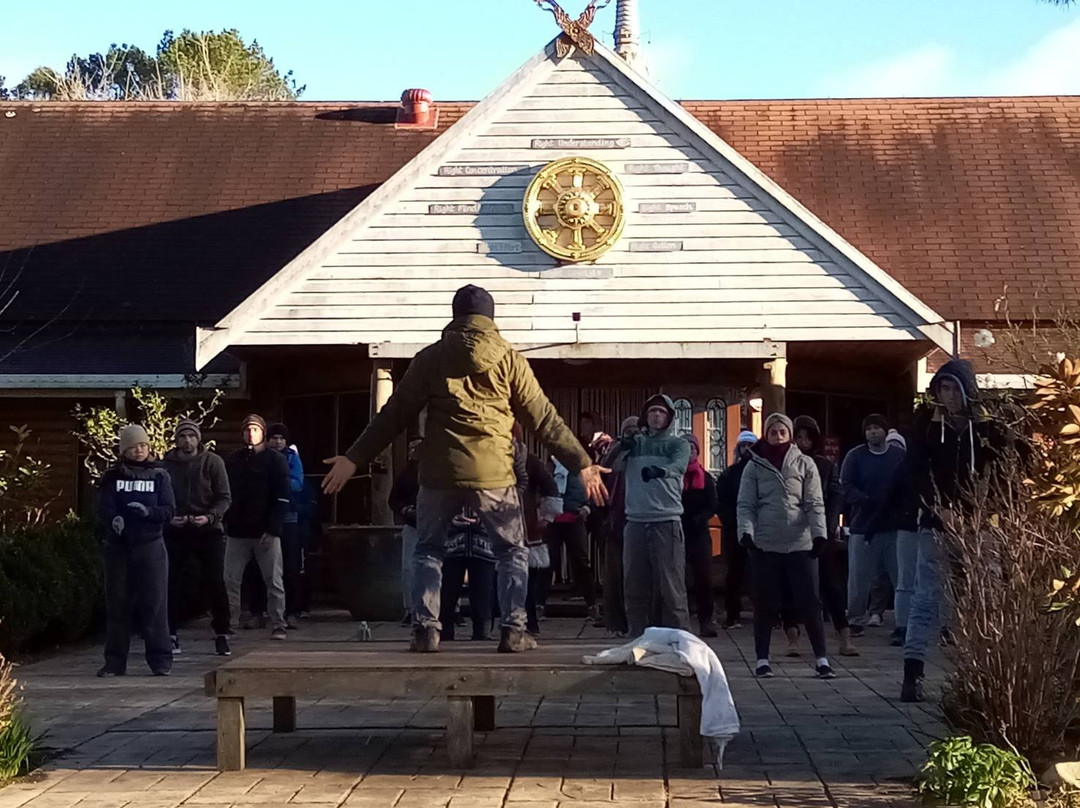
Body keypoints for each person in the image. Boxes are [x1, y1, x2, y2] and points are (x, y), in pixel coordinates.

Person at [321, 285, 608, 654]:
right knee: (511, 552)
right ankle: (513, 629)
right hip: (495, 474)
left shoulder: (431, 358)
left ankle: (426, 629)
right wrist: (581, 462)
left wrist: (354, 457)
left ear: (455, 316)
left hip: (440, 473)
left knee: (428, 550)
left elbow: (393, 415)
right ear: (490, 318)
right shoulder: (509, 359)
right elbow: (544, 419)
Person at [901, 360, 1008, 701]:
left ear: (967, 391)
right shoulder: (927, 428)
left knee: (986, 595)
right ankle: (913, 673)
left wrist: (985, 512)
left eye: (954, 388)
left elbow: (1005, 473)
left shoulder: (988, 429)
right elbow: (916, 473)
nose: (949, 396)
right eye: (943, 388)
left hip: (980, 525)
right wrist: (939, 508)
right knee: (926, 596)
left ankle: (986, 671)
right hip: (937, 523)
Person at [737, 413, 835, 679]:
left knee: (810, 603)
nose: (778, 436)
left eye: (782, 432)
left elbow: (815, 503)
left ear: (789, 434)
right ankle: (761, 659)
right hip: (766, 543)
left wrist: (819, 535)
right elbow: (746, 504)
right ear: (765, 434)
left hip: (799, 542)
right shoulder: (754, 466)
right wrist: (746, 533)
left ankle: (822, 658)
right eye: (773, 432)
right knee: (766, 603)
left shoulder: (805, 464)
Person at [605, 395, 692, 637]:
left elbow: (679, 467)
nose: (656, 416)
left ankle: (682, 641)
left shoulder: (678, 444)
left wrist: (659, 472)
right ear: (646, 416)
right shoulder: (635, 443)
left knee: (671, 587)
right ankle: (637, 638)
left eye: (661, 412)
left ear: (669, 417)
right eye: (652, 411)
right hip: (635, 522)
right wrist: (622, 445)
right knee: (633, 585)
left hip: (667, 521)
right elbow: (608, 466)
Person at [97, 424, 176, 677]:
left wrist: (149, 513)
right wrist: (114, 520)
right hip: (118, 548)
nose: (139, 450)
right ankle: (114, 662)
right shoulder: (112, 477)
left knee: (154, 604)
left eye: (142, 445)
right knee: (117, 605)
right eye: (133, 447)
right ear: (124, 450)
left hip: (151, 546)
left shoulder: (160, 476)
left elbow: (169, 510)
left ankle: (161, 661)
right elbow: (103, 508)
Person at [162, 418, 232, 657]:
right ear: (177, 440)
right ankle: (169, 632)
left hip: (208, 529)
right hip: (177, 529)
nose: (187, 441)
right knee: (171, 582)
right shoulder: (166, 465)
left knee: (215, 581)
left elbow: (224, 497)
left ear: (198, 438)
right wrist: (170, 517)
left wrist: (210, 517)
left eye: (191, 436)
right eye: (182, 436)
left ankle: (222, 633)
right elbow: (161, 498)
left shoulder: (213, 462)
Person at [793, 415, 856, 657]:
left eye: (808, 437)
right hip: (794, 532)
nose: (803, 442)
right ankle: (794, 638)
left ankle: (844, 635)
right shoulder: (788, 464)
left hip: (822, 533)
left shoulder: (826, 465)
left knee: (831, 584)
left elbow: (836, 495)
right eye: (799, 437)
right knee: (795, 587)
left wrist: (828, 526)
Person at [224, 414, 291, 641]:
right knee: (230, 579)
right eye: (247, 430)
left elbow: (282, 496)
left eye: (255, 429)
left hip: (265, 531)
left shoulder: (275, 460)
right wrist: (226, 522)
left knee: (273, 580)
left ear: (263, 432)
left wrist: (273, 529)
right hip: (237, 531)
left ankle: (278, 623)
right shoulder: (232, 460)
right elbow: (225, 494)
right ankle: (228, 623)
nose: (251, 434)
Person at [841, 414, 905, 631]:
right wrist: (863, 500)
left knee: (901, 578)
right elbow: (846, 485)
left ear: (886, 431)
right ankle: (855, 619)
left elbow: (909, 485)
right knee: (859, 578)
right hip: (863, 524)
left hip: (895, 526)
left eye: (877, 428)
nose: (873, 432)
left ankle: (903, 623)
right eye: (869, 429)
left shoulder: (899, 456)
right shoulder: (855, 456)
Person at [599, 415, 640, 638]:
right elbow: (601, 477)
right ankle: (616, 623)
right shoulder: (613, 452)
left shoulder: (645, 450)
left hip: (640, 518)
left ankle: (639, 621)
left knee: (636, 575)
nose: (632, 432)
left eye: (635, 428)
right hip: (615, 521)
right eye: (628, 429)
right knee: (614, 575)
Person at [544, 464, 600, 623]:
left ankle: (592, 605)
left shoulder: (583, 470)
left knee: (581, 562)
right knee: (548, 562)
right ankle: (539, 605)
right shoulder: (549, 467)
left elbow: (594, 494)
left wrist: (586, 509)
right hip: (552, 520)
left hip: (575, 519)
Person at [716, 430, 757, 629]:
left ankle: (769, 612)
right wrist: (732, 520)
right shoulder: (729, 474)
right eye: (744, 446)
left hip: (760, 529)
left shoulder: (764, 472)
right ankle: (732, 613)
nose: (747, 449)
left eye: (751, 446)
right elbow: (720, 501)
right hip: (735, 529)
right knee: (735, 572)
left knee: (762, 572)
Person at [681, 434, 719, 637]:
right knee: (678, 578)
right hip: (677, 532)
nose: (689, 452)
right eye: (685, 448)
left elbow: (713, 504)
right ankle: (681, 621)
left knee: (703, 578)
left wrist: (700, 518)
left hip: (699, 534)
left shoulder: (706, 478)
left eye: (693, 449)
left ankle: (707, 620)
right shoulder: (674, 476)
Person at [267, 423, 305, 626]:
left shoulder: (293, 458)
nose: (278, 441)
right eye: (274, 438)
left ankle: (292, 611)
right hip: (264, 517)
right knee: (263, 567)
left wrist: (278, 484)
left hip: (289, 516)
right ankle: (261, 612)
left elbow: (298, 484)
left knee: (291, 566)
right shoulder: (262, 457)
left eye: (281, 438)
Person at [885, 429, 919, 647]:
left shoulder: (941, 464)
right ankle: (903, 625)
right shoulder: (905, 467)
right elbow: (890, 496)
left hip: (938, 524)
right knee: (905, 578)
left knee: (939, 580)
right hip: (908, 525)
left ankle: (944, 626)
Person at [389, 439, 422, 626]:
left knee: (442, 566)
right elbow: (393, 500)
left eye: (417, 448)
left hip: (436, 525)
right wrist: (404, 510)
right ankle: (410, 609)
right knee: (409, 568)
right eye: (411, 448)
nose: (414, 451)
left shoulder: (437, 473)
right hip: (411, 525)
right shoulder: (405, 475)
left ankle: (450, 608)